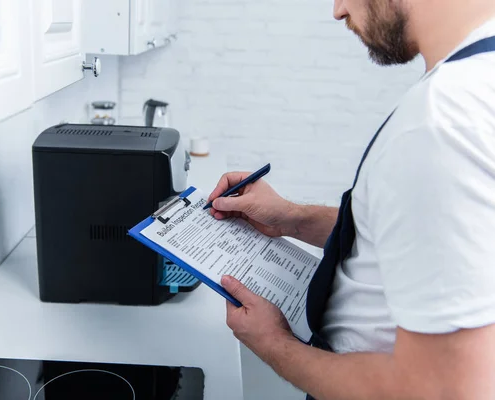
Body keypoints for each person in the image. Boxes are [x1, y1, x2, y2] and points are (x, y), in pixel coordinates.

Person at [207, 0, 495, 398]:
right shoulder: (480, 84)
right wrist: (293, 218)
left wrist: (273, 343)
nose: (338, 10)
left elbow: (440, 390)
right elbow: (427, 243)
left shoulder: (440, 122)